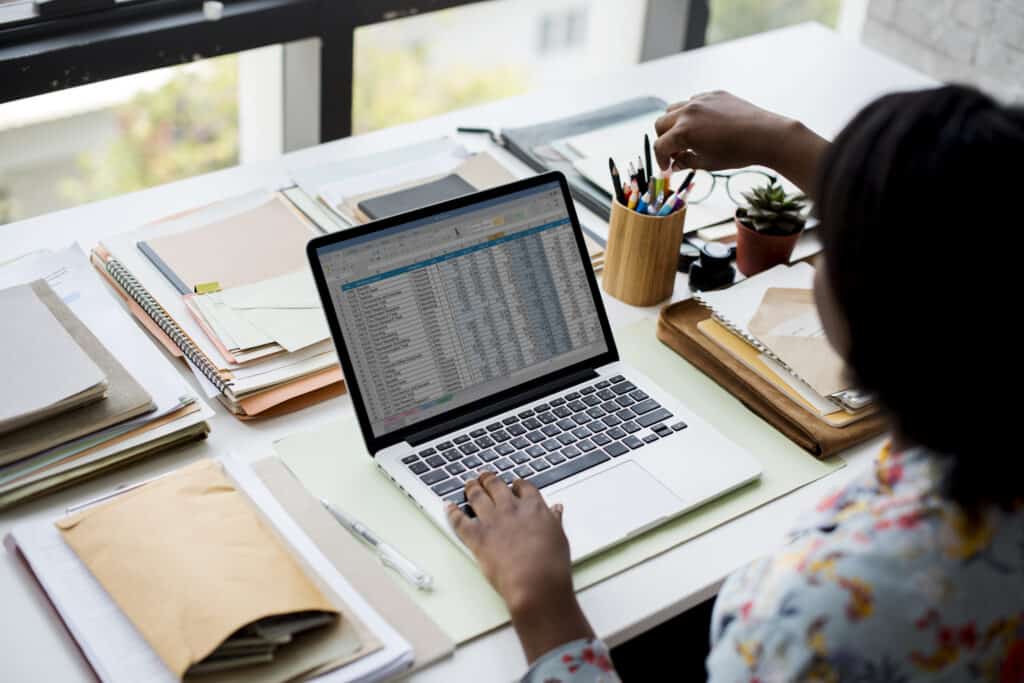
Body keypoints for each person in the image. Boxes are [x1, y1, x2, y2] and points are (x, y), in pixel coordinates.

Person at [445, 85, 1024, 682]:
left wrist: (540, 601)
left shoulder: (820, 617)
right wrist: (778, 139)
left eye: (834, 246)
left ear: (862, 306)